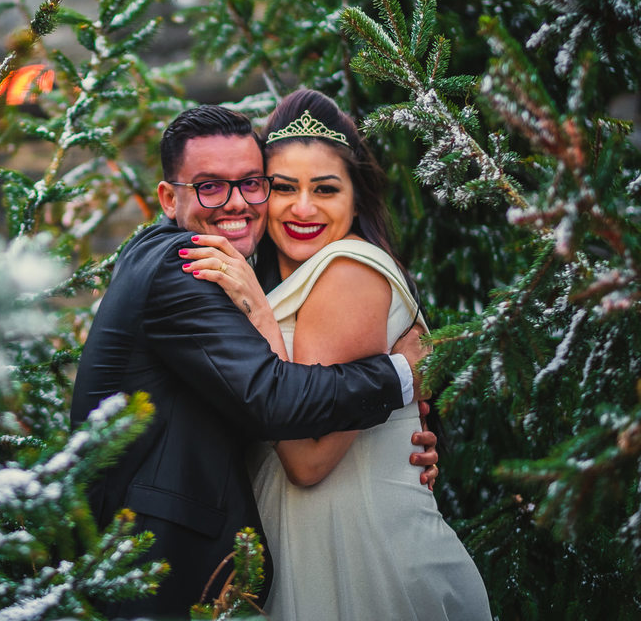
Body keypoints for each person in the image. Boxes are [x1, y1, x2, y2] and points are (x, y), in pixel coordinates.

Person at [69, 104, 437, 619]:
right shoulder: (188, 264)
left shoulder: (236, 270)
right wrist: (405, 374)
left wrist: (402, 434)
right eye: (210, 187)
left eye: (252, 183)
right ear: (168, 198)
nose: (236, 203)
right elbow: (276, 400)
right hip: (161, 567)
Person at [180, 89, 491, 619]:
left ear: (356, 198)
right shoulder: (278, 279)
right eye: (282, 188)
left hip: (370, 561)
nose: (303, 208)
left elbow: (308, 460)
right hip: (314, 547)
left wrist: (258, 312)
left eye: (326, 189)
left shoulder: (348, 268)